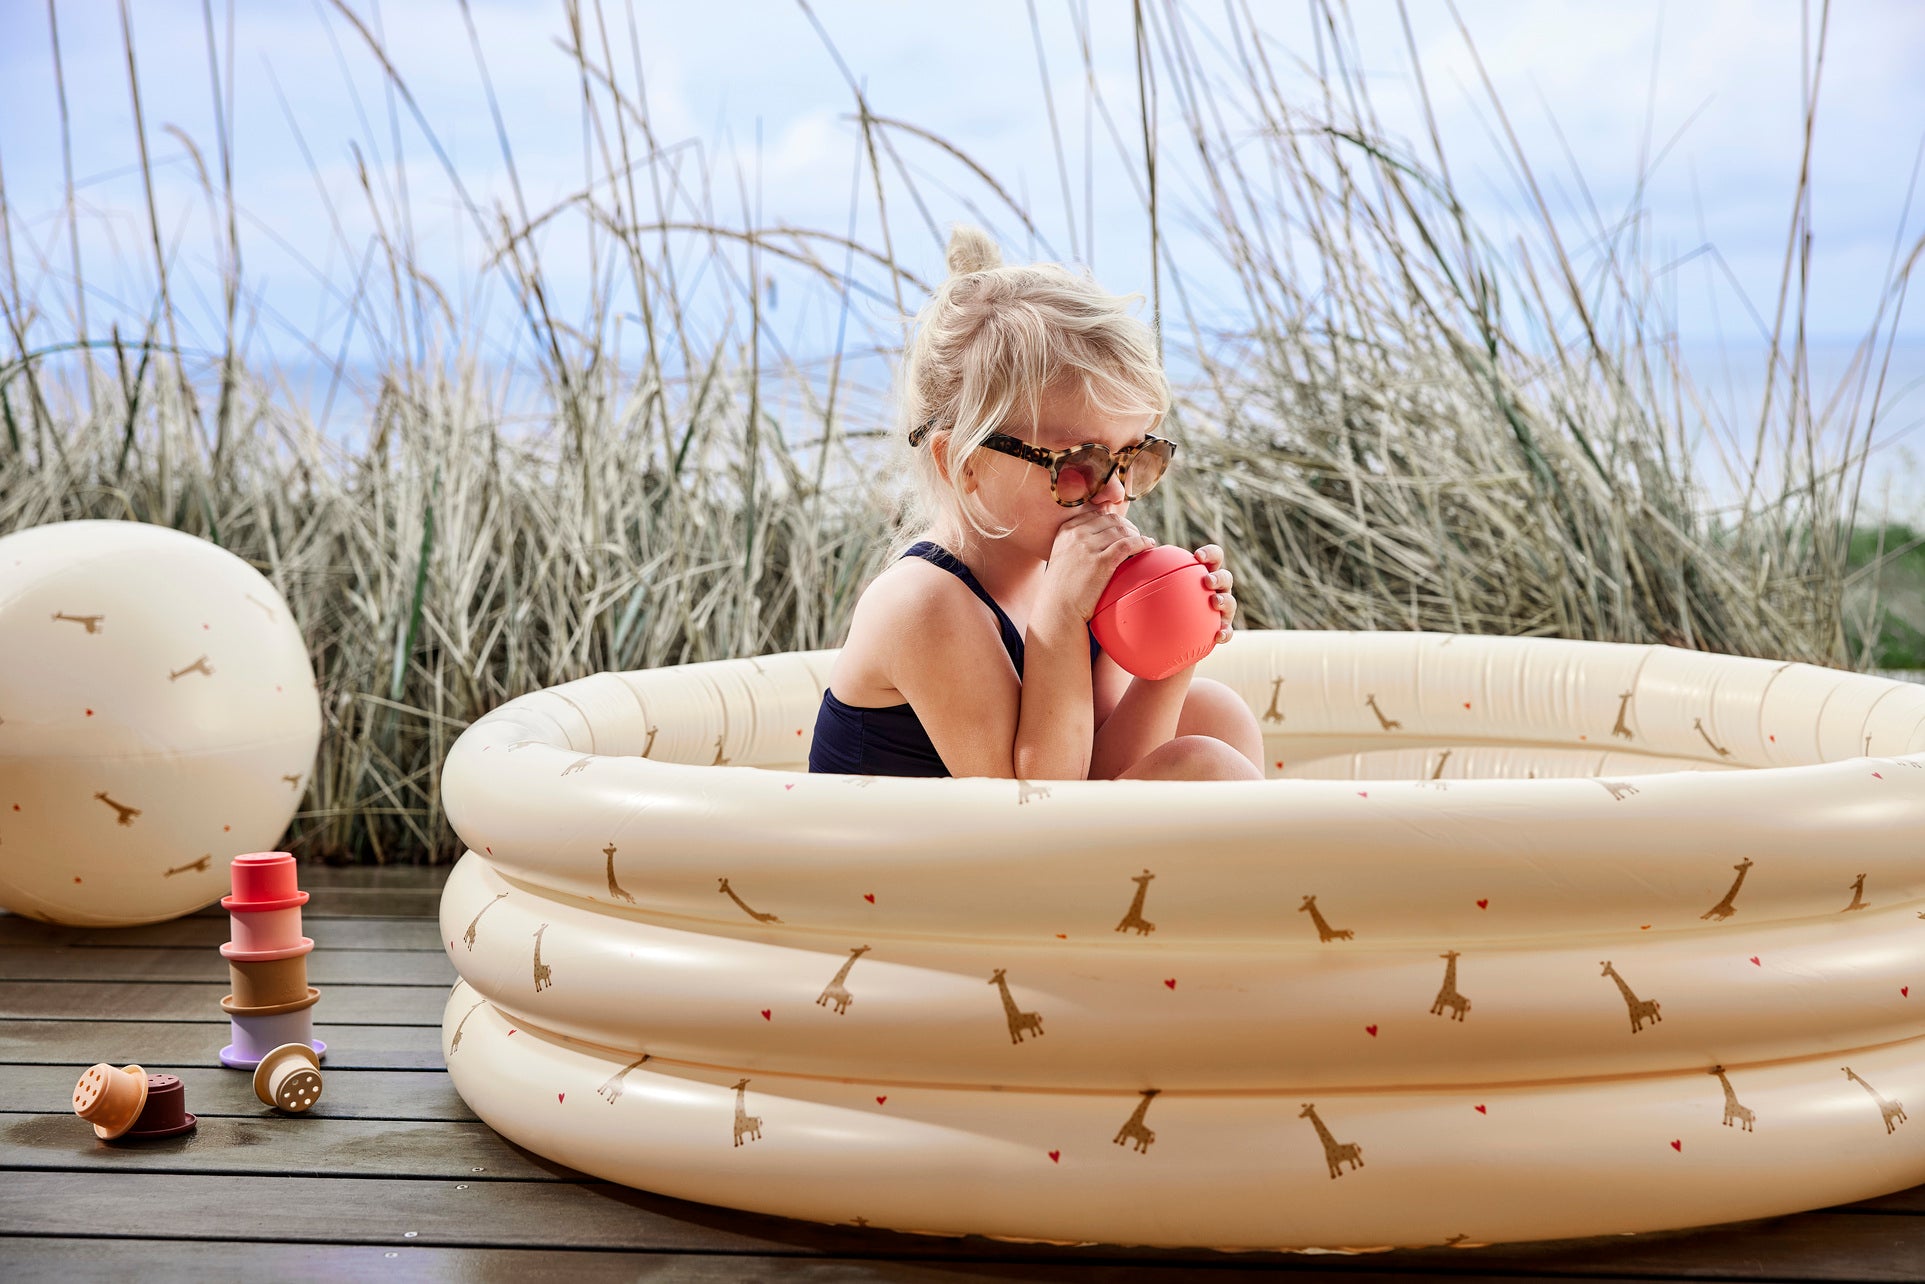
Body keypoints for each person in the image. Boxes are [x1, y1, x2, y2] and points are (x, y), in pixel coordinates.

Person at [807, 224, 1265, 782]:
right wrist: (1063, 618)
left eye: (1131, 458)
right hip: (914, 866)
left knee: (1216, 716)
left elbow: (1101, 773)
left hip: (1016, 856)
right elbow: (1037, 809)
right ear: (966, 465)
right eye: (1078, 466)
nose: (1116, 494)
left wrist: (1171, 655)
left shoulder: (1066, 574)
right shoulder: (921, 604)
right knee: (1204, 766)